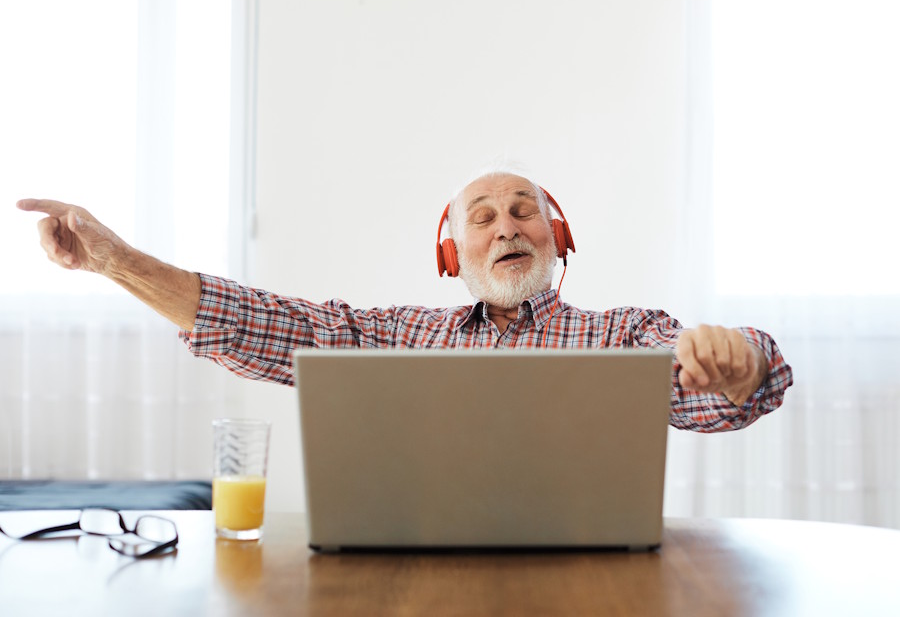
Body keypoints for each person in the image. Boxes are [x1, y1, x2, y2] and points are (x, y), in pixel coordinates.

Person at [17, 171, 792, 432]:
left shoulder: (624, 333)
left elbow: (716, 389)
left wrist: (740, 363)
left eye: (524, 211)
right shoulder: (398, 334)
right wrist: (116, 261)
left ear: (556, 237)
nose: (506, 228)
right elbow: (264, 325)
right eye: (481, 219)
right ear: (453, 256)